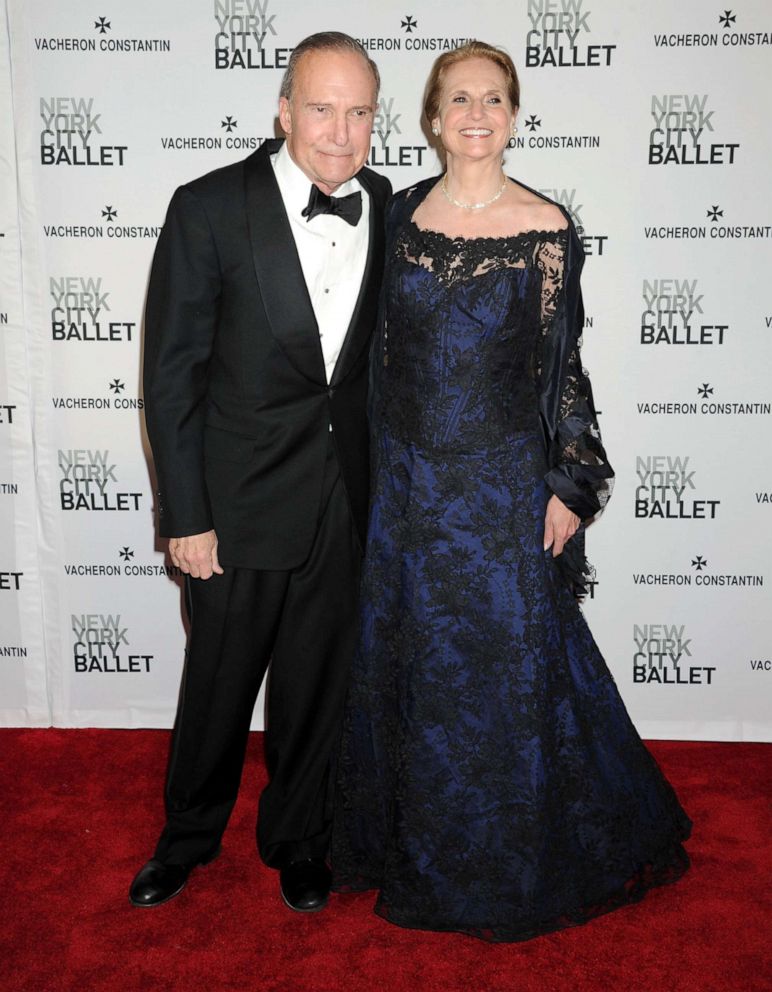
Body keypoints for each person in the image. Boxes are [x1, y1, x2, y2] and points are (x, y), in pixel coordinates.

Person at [331, 41, 691, 940]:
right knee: (410, 661)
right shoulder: (398, 214)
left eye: (494, 98)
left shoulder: (547, 229)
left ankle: (509, 851)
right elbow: (370, 352)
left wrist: (570, 480)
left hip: (498, 488)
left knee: (502, 669)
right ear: (432, 117)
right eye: (459, 98)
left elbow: (562, 368)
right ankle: (406, 840)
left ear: (516, 115)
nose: (477, 114)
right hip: (408, 485)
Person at [130, 32, 391, 913]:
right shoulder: (207, 207)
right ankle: (187, 838)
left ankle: (300, 841)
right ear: (284, 110)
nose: (341, 132)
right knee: (217, 687)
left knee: (319, 684)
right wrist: (185, 515)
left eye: (360, 112)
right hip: (233, 509)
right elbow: (170, 377)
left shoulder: (387, 207)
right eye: (322, 108)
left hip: (343, 501)